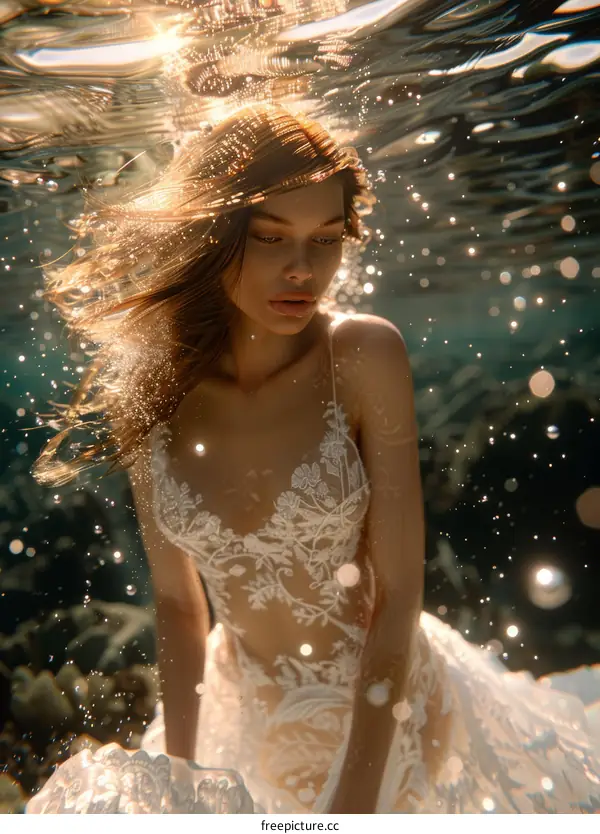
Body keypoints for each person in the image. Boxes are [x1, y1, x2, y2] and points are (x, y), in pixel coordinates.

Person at [27, 104, 600, 815]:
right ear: (212, 236)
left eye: (326, 239)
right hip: (249, 718)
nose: (304, 269)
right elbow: (179, 607)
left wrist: (353, 809)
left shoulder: (363, 354)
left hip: (392, 714)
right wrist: (179, 779)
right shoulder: (151, 389)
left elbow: (398, 600)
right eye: (270, 237)